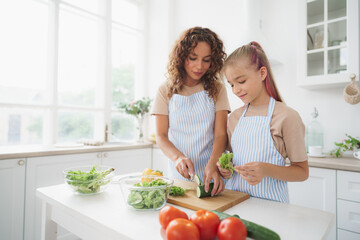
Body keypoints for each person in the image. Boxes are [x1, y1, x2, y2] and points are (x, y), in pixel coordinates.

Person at [217, 41, 309, 203]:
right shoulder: (234, 118)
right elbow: (232, 160)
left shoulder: (287, 116)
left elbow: (302, 172)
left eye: (241, 81)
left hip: (272, 207)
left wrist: (266, 170)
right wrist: (225, 169)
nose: (236, 90)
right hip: (235, 203)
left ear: (262, 73)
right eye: (231, 84)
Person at [151, 27, 230, 196]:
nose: (199, 66)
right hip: (178, 174)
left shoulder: (217, 89)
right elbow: (161, 136)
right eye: (193, 58)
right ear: (181, 56)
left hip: (212, 172)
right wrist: (177, 157)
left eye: (206, 60)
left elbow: (220, 135)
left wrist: (213, 164)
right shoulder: (165, 90)